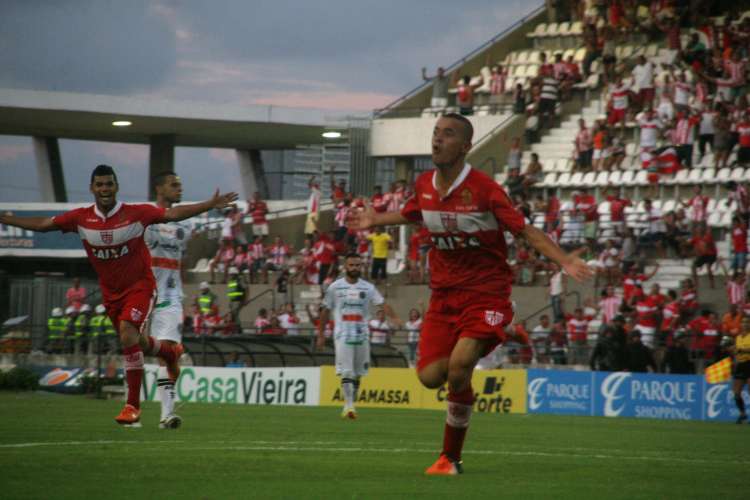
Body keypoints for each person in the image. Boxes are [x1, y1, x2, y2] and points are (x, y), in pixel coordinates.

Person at [346, 113, 592, 475]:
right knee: (430, 377)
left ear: (464, 146)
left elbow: (525, 232)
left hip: (486, 293)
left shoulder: (485, 189)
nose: (437, 140)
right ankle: (498, 335)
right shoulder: (425, 184)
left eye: (447, 135)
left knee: (460, 367)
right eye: (435, 133)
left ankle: (450, 458)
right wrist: (375, 221)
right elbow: (413, 213)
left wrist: (562, 259)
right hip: (444, 297)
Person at [0, 164, 237, 426]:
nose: (104, 189)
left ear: (116, 187)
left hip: (144, 287)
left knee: (127, 335)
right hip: (112, 294)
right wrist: (6, 218)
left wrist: (209, 204)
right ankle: (169, 354)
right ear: (92, 188)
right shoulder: (81, 218)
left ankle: (138, 408)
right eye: (99, 185)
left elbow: (172, 214)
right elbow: (45, 224)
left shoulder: (138, 213)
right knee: (138, 342)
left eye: (109, 184)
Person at [145, 171, 194, 428]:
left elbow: (179, 264)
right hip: (143, 295)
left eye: (180, 185)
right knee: (139, 349)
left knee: (167, 354)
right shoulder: (145, 220)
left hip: (171, 297)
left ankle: (167, 414)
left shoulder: (184, 227)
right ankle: (131, 405)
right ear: (159, 188)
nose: (179, 189)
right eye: (174, 185)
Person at [316, 253, 392, 419]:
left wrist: (395, 317)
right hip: (342, 335)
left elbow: (382, 303)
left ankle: (350, 403)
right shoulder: (335, 287)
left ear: (361, 267)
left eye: (358, 265)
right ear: (345, 266)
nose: (355, 268)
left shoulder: (368, 288)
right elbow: (325, 311)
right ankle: (349, 406)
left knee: (358, 373)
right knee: (347, 372)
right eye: (352, 265)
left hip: (363, 336)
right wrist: (321, 334)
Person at [731, 315, 750, 424]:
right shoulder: (738, 337)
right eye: (743, 322)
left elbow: (743, 350)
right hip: (741, 364)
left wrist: (742, 350)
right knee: (736, 393)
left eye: (747, 322)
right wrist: (734, 352)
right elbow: (736, 351)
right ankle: (742, 413)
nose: (745, 324)